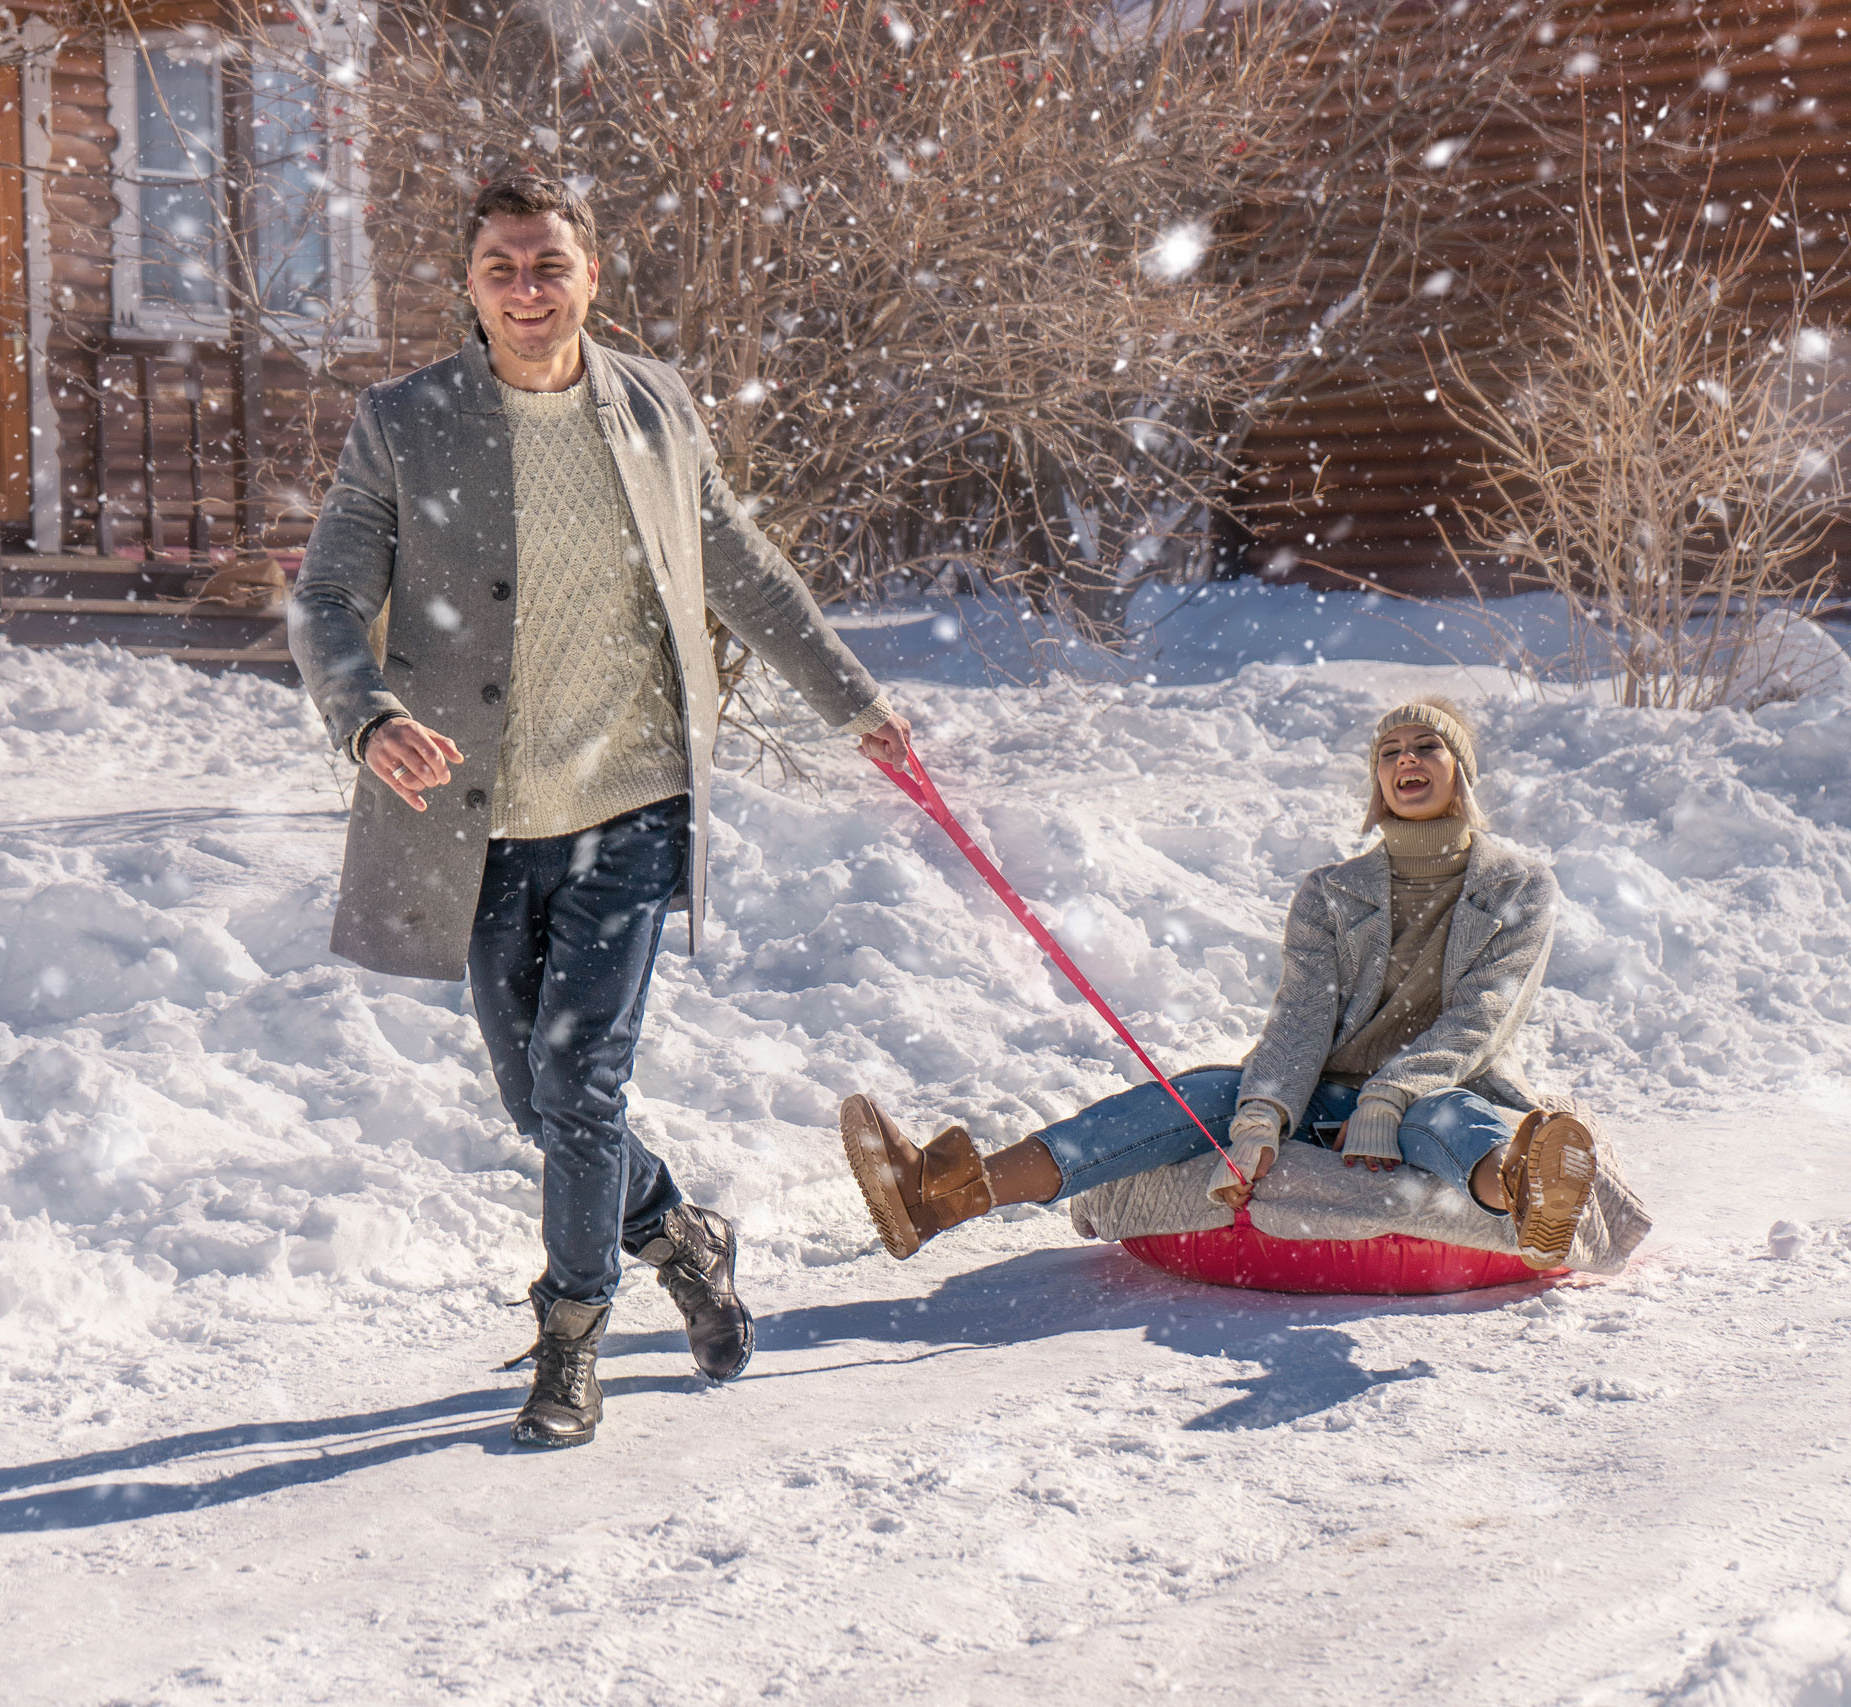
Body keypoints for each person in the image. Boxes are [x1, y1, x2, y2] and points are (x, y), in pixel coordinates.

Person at [289, 175, 912, 1448]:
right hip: (475, 823)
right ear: (469, 289)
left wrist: (854, 702)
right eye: (502, 269)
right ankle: (680, 1231)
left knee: (579, 1082)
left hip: (629, 803)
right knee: (541, 1104)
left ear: (591, 275)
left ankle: (572, 1338)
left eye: (548, 265)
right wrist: (365, 712)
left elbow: (738, 563)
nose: (529, 289)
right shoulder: (403, 423)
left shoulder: (655, 406)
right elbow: (328, 598)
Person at [840, 697, 1599, 1269]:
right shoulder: (1332, 892)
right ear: (1375, 778)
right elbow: (1300, 1021)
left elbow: (1480, 1019)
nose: (1407, 759)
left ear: (1458, 768)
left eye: (1427, 745)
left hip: (1443, 1085)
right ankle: (940, 1192)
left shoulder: (1518, 886)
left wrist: (1389, 1095)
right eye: (1389, 750)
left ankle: (1527, 1195)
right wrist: (1260, 1125)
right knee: (1189, 1097)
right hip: (1321, 1093)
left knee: (1454, 1122)